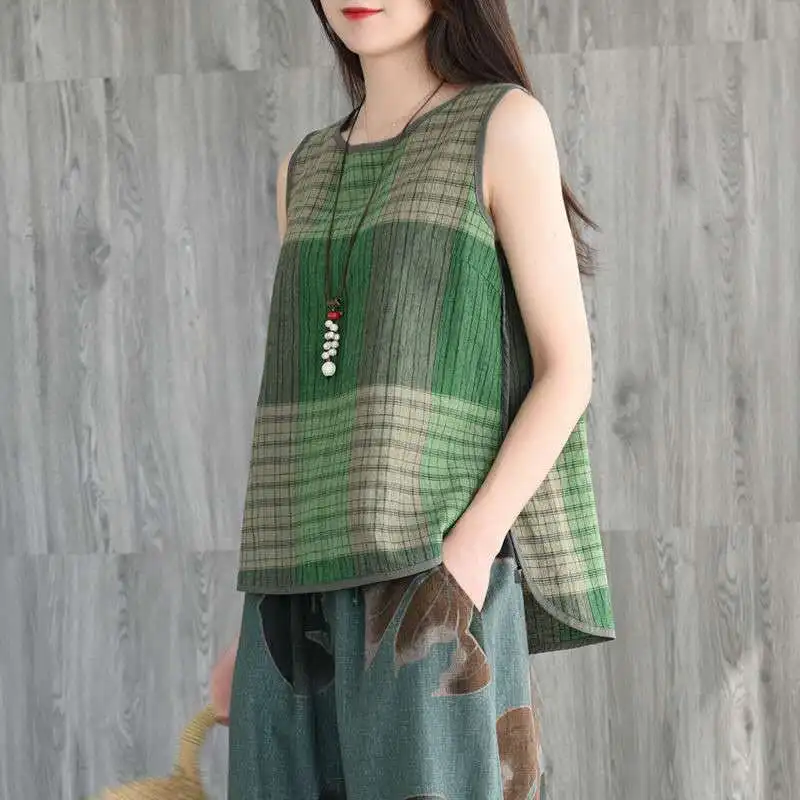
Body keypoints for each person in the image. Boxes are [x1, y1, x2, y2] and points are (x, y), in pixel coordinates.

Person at [213, 1, 616, 798]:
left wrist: (466, 557)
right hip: (292, 599)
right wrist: (259, 630)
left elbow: (567, 369)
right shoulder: (306, 168)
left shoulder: (501, 126)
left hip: (428, 578)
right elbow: (312, 393)